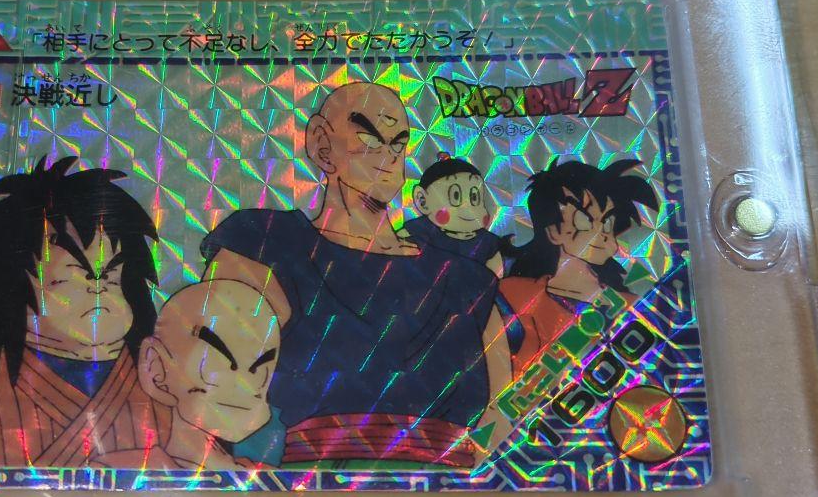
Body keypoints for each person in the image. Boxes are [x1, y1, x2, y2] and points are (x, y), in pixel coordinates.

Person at [200, 81, 514, 469]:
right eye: (368, 139)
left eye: (398, 144)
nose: (387, 157)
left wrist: (471, 476)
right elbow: (206, 375)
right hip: (311, 480)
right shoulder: (267, 246)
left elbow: (505, 408)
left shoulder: (465, 278)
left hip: (448, 481)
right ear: (321, 144)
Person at [0, 156, 166, 469]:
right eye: (74, 275)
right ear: (12, 274)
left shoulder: (165, 370)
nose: (98, 286)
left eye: (111, 274)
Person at [499, 158, 659, 374]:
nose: (601, 232)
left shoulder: (627, 304)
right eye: (585, 221)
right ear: (553, 231)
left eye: (607, 221)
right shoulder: (515, 294)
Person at [136, 281, 281, 470]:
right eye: (216, 361)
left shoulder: (264, 477)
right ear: (155, 366)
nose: (242, 382)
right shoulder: (124, 470)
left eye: (258, 369)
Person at [404, 152, 504, 276]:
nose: (467, 208)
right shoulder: (420, 230)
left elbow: (497, 276)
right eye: (455, 196)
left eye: (474, 197)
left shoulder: (487, 242)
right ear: (422, 200)